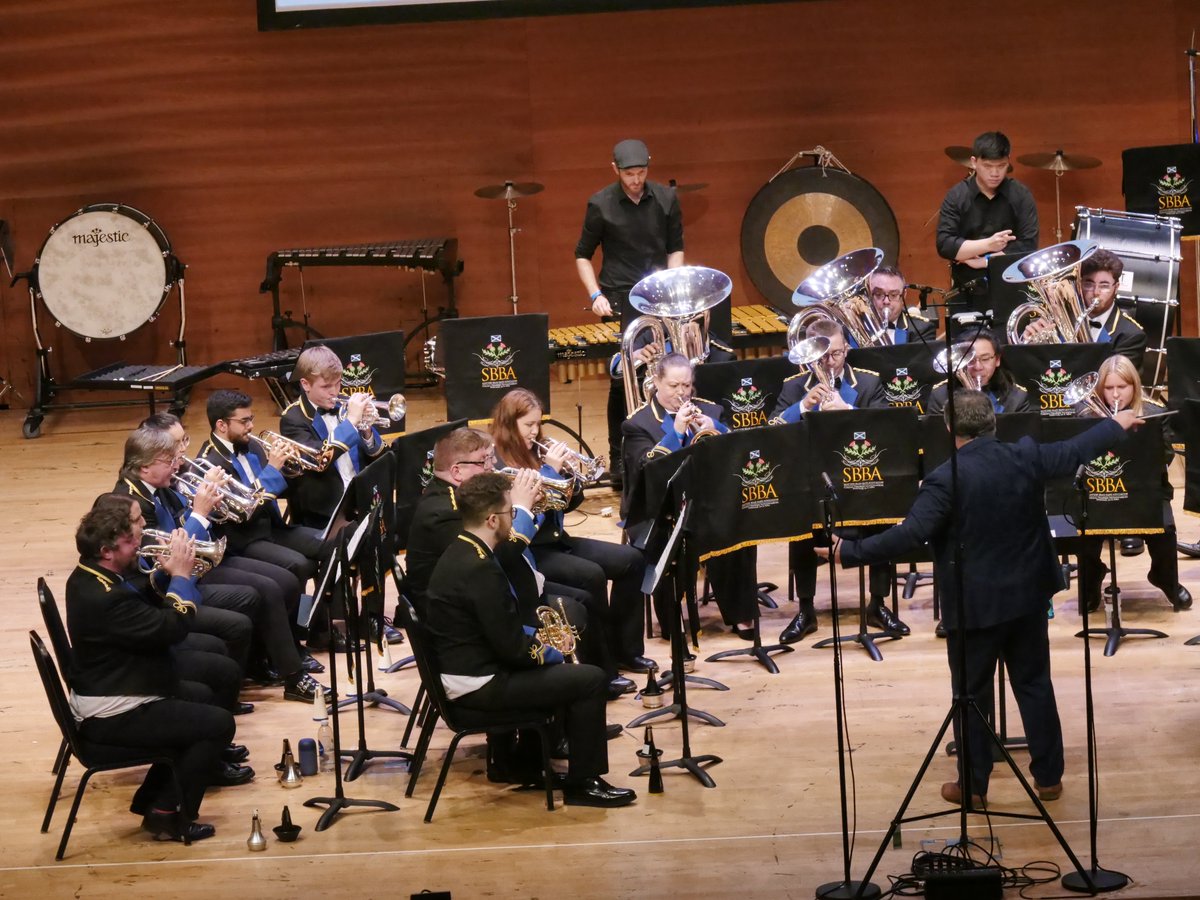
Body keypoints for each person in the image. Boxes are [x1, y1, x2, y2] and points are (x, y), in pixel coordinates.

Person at [822, 390, 1141, 804]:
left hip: (974, 607)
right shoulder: (1025, 456)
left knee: (972, 696)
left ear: (950, 428)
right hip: (1027, 597)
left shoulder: (945, 477)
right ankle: (1049, 778)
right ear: (993, 422)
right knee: (1034, 684)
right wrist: (1117, 424)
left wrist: (848, 551)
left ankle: (972, 787)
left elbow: (909, 534)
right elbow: (1075, 450)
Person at [424, 472, 636, 808]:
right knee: (590, 680)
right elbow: (511, 650)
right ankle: (584, 783)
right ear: (493, 520)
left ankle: (524, 762)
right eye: (511, 513)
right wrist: (554, 650)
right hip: (479, 684)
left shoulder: (466, 550)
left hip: (472, 668)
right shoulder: (480, 568)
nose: (516, 521)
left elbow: (499, 628)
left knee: (566, 672)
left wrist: (537, 637)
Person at [402, 427, 631, 699]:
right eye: (483, 462)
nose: (493, 466)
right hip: (472, 622)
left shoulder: (463, 496)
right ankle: (579, 693)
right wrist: (520, 508)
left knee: (585, 599)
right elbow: (496, 557)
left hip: (491, 593)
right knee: (575, 611)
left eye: (491, 458)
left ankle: (599, 682)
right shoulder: (445, 512)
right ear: (457, 472)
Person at [116, 423, 328, 704]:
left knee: (280, 583)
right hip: (172, 585)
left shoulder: (161, 483)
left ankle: (273, 658)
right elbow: (166, 555)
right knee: (263, 591)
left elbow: (185, 523)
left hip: (198, 564)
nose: (176, 464)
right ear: (144, 467)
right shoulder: (131, 502)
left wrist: (209, 498)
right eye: (169, 461)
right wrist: (200, 511)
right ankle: (289, 673)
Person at [65, 502, 237, 843]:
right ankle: (169, 814)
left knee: (201, 696)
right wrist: (181, 577)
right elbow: (172, 627)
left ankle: (153, 800)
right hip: (110, 714)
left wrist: (164, 573)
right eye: (131, 542)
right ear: (107, 550)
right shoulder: (105, 598)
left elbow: (140, 603)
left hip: (111, 681)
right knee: (218, 724)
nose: (138, 544)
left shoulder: (91, 574)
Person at [491, 389, 652, 672]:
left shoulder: (536, 450)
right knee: (591, 576)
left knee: (632, 560)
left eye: (538, 423)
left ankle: (626, 650)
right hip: (531, 549)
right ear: (509, 423)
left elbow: (565, 505)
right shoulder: (501, 463)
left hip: (557, 540)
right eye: (528, 424)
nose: (535, 431)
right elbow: (526, 513)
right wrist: (551, 473)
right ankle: (600, 664)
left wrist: (569, 477)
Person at [769, 318, 906, 640]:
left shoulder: (868, 383)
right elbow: (772, 431)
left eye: (837, 354)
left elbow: (887, 431)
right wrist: (804, 405)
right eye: (822, 357)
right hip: (813, 478)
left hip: (862, 474)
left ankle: (877, 604)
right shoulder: (793, 387)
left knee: (882, 518)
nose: (830, 363)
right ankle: (806, 610)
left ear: (846, 349)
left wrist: (846, 411)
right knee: (802, 523)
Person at [621, 353, 761, 635]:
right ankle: (672, 622)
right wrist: (675, 432)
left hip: (703, 501)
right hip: (657, 510)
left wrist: (716, 430)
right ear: (656, 383)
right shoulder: (638, 423)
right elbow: (646, 471)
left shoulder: (711, 410)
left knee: (738, 526)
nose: (682, 393)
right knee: (666, 540)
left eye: (686, 386)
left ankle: (740, 613)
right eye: (674, 386)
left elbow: (737, 452)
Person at [575, 138, 684, 489]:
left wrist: (672, 288)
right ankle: (619, 454)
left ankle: (664, 443)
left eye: (641, 172)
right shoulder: (600, 204)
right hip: (621, 299)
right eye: (629, 173)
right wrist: (595, 295)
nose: (636, 179)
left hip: (659, 297)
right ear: (615, 170)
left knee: (662, 372)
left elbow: (676, 249)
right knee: (624, 378)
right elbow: (582, 255)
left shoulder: (666, 199)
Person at [1074, 355, 1190, 611]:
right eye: (1109, 387)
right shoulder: (1084, 415)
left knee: (1165, 528)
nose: (1115, 394)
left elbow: (1166, 456)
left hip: (1144, 490)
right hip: (1099, 491)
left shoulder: (1154, 413)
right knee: (1081, 527)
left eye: (1122, 387)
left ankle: (1164, 576)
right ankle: (1091, 578)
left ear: (1134, 387)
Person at [279, 344, 387, 529]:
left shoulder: (344, 407)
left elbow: (378, 455)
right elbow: (319, 458)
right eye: (326, 386)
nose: (335, 392)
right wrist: (351, 421)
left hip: (359, 499)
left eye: (338, 383)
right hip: (325, 512)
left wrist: (366, 430)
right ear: (305, 384)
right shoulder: (293, 419)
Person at [936, 131, 1039, 293]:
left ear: (1008, 161)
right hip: (967, 286)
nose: (995, 173)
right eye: (988, 166)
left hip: (1013, 284)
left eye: (1001, 166)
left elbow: (1028, 245)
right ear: (974, 162)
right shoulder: (957, 196)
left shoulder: (1021, 195)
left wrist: (986, 261)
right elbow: (945, 245)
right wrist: (988, 244)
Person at [1021, 249, 1147, 361]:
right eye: (1089, 283)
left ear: (1116, 287)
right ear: (1079, 284)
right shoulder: (1057, 322)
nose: (1096, 292)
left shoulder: (1131, 336)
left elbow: (1114, 383)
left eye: (1104, 286)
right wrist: (1031, 346)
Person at [926, 330, 1031, 417]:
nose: (978, 367)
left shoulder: (1016, 397)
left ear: (997, 360)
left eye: (985, 359)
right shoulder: (941, 396)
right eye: (970, 360)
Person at [847, 265, 937, 348]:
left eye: (893, 295)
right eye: (879, 294)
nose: (886, 301)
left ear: (904, 295)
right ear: (870, 294)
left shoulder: (921, 329)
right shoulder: (854, 328)